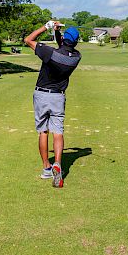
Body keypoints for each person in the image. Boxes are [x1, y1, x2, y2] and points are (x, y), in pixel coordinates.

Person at [24, 21, 81, 188]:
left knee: (43, 132)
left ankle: (46, 168)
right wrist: (58, 33)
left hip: (42, 95)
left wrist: (47, 27)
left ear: (64, 39)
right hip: (58, 97)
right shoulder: (76, 57)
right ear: (75, 42)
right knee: (58, 132)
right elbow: (63, 47)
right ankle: (57, 163)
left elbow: (28, 39)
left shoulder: (49, 53)